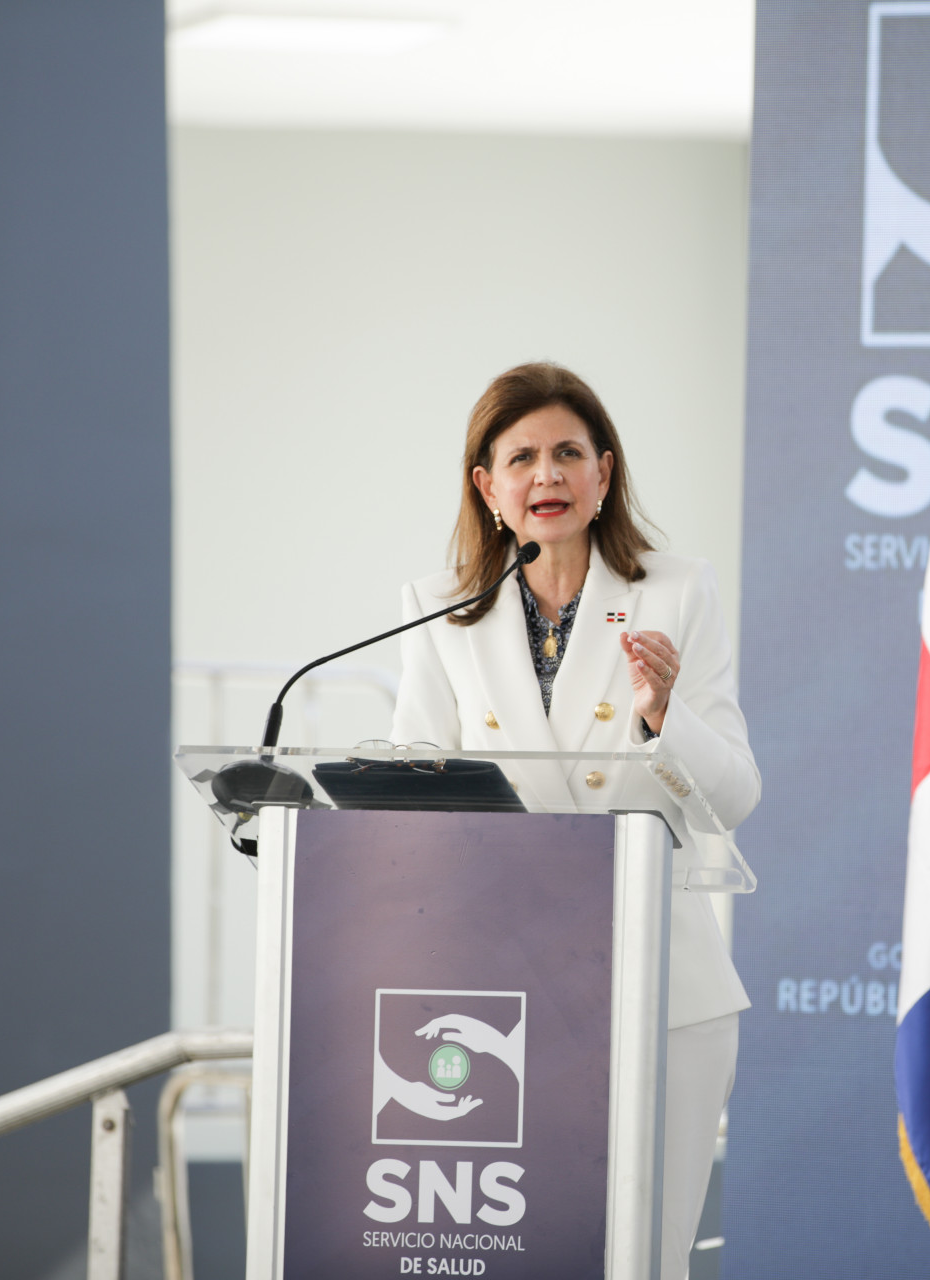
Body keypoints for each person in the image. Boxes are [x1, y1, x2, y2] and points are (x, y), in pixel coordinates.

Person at [390, 361, 755, 1280]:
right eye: (521, 459)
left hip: (659, 988)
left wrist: (665, 715)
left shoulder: (676, 592)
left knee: (645, 1258)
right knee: (523, 1255)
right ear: (488, 487)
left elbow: (735, 796)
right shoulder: (438, 610)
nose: (546, 475)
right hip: (497, 999)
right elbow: (406, 797)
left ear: (603, 473)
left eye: (567, 453)